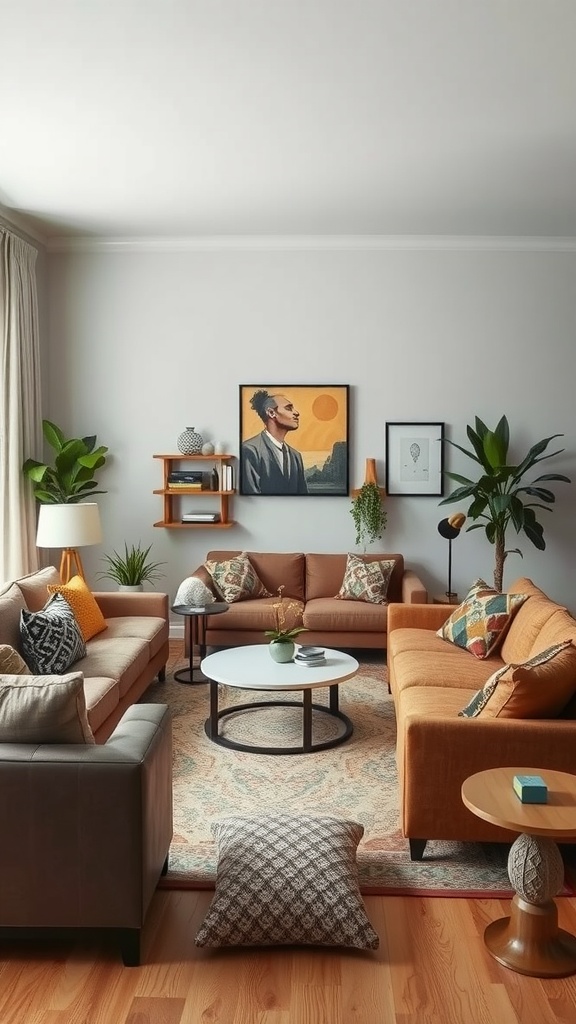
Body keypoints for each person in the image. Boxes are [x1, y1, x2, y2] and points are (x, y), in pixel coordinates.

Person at [241, 389, 308, 494]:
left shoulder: (296, 456)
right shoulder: (250, 450)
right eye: (289, 408)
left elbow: (303, 494)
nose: (296, 413)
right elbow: (251, 494)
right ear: (271, 413)